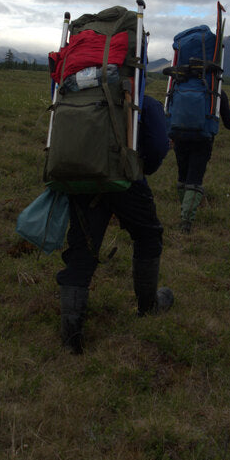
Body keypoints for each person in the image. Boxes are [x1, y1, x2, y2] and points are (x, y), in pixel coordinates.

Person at [57, 92, 173, 354]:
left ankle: (70, 339)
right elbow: (157, 146)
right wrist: (141, 169)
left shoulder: (74, 93)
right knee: (148, 236)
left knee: (81, 251)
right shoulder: (142, 100)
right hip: (127, 182)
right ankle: (147, 307)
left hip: (82, 180)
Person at [172, 87, 230, 232]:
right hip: (202, 140)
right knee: (194, 180)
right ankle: (186, 223)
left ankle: (184, 212)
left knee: (182, 177)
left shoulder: (179, 86)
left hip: (180, 136)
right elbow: (229, 124)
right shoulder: (217, 92)